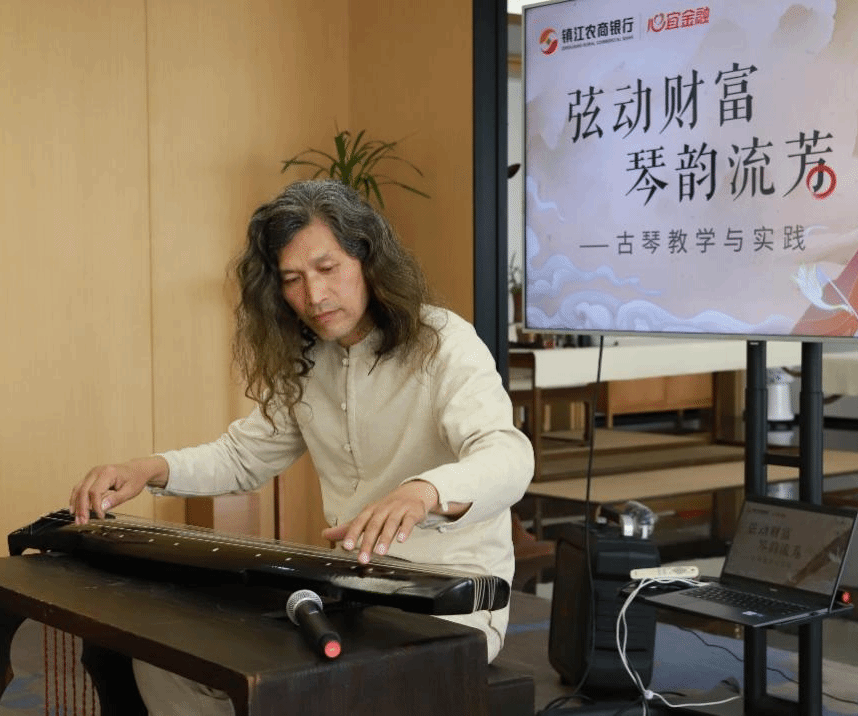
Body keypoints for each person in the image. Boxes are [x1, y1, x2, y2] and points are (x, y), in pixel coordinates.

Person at [69, 179, 534, 715]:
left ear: (368, 259)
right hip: (351, 589)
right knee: (167, 660)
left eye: (327, 268)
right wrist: (146, 469)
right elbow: (242, 456)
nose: (313, 296)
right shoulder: (308, 357)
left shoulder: (442, 340)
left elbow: (508, 456)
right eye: (292, 279)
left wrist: (425, 492)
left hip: (451, 599)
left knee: (304, 692)